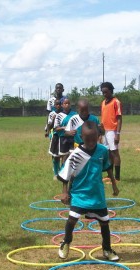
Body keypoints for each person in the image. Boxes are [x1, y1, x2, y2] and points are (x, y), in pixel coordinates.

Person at [57, 121, 119, 261]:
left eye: (93, 139)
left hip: (97, 194)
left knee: (104, 223)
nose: (91, 142)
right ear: (81, 136)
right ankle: (66, 242)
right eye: (87, 139)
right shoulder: (76, 154)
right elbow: (66, 174)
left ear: (98, 136)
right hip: (80, 193)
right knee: (72, 219)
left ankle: (107, 249)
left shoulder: (102, 150)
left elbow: (108, 168)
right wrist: (65, 192)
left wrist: (114, 185)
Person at [100, 82, 122, 181]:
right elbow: (103, 118)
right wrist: (101, 132)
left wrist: (117, 134)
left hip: (112, 131)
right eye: (103, 92)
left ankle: (117, 177)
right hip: (104, 131)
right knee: (108, 153)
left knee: (114, 153)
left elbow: (119, 118)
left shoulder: (116, 102)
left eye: (106, 92)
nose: (104, 94)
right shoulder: (103, 102)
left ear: (111, 91)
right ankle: (110, 176)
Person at [54, 98, 77, 165]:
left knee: (73, 155)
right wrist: (63, 128)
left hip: (73, 138)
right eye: (65, 103)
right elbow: (56, 128)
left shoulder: (75, 114)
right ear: (62, 105)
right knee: (64, 156)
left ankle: (72, 173)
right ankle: (62, 171)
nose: (67, 105)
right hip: (63, 138)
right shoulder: (59, 116)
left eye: (68, 103)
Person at [46, 99, 62, 179]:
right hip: (55, 136)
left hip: (63, 137)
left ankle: (62, 172)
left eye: (59, 104)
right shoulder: (52, 114)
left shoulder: (63, 113)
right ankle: (56, 173)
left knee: (63, 155)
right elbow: (50, 125)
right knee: (55, 155)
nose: (58, 106)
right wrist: (53, 119)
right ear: (54, 106)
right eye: (57, 104)